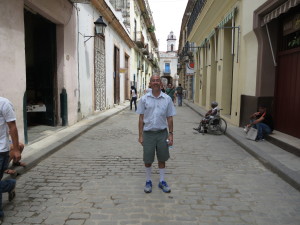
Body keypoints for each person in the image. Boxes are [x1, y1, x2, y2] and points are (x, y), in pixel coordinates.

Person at [136, 75, 176, 194]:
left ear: (161, 83)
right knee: (148, 159)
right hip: (148, 133)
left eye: (157, 80)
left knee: (162, 158)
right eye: (153, 81)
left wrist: (171, 134)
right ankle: (148, 181)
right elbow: (141, 118)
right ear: (150, 83)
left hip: (162, 134)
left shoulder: (167, 99)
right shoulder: (144, 99)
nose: (155, 82)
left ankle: (162, 181)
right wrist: (140, 135)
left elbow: (170, 118)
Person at [0, 97, 21, 221]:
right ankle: (10, 185)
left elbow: (12, 127)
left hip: (1, 150)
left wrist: (17, 149)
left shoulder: (4, 103)